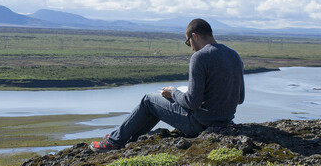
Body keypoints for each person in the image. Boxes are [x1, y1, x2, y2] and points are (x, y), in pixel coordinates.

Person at [89, 18, 245, 152]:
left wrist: (174, 92)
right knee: (155, 105)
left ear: (194, 36)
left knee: (149, 100)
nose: (190, 47)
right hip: (225, 123)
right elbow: (240, 98)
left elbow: (193, 102)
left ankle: (113, 142)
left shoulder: (200, 57)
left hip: (200, 125)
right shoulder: (234, 55)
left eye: (188, 42)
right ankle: (130, 139)